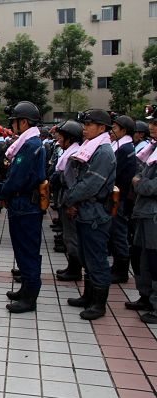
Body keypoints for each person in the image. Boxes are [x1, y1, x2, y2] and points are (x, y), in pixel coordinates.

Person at [65, 109, 116, 320]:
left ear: (102, 128)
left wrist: (70, 199)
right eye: (84, 124)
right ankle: (88, 295)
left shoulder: (103, 152)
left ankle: (99, 303)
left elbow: (90, 184)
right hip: (85, 210)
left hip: (95, 213)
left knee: (97, 258)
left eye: (89, 125)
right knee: (87, 256)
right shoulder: (92, 146)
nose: (84, 129)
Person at [0, 101, 46, 313]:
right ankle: (26, 288)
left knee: (27, 251)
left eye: (15, 121)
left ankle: (29, 297)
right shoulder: (30, 143)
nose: (13, 125)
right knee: (22, 249)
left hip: (25, 205)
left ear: (24, 122)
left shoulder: (30, 145)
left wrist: (1, 190)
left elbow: (17, 177)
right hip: (22, 204)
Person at [127, 105, 157, 318]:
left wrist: (139, 182)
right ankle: (145, 295)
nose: (151, 126)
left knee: (154, 260)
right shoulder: (152, 149)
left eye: (155, 123)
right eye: (152, 122)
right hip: (143, 212)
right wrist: (140, 181)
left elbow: (149, 186)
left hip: (153, 215)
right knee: (140, 256)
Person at [51, 120, 84, 281]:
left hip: (70, 200)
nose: (58, 140)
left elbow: (71, 181)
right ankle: (72, 266)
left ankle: (75, 269)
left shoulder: (74, 155)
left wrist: (71, 203)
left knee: (72, 237)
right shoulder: (71, 152)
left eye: (61, 137)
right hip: (65, 197)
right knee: (69, 235)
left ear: (70, 139)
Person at [109, 115, 137, 284]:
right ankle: (117, 267)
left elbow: (115, 172)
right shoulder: (124, 146)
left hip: (120, 197)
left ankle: (121, 270)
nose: (111, 131)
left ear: (124, 130)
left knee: (119, 232)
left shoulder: (124, 149)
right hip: (120, 196)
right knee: (116, 231)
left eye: (115, 128)